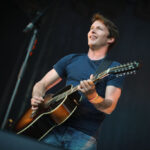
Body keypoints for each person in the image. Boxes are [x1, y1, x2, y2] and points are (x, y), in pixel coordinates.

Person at [31, 13, 124, 150]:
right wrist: (37, 97)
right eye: (91, 28)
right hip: (52, 128)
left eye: (99, 28)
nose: (92, 30)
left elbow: (109, 107)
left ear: (110, 39)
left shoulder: (113, 67)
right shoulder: (71, 59)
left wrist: (93, 96)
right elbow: (41, 84)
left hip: (84, 137)